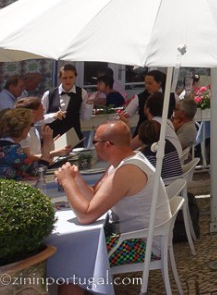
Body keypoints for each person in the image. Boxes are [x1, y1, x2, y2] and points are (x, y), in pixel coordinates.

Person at [55, 120, 170, 289]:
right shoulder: (122, 162)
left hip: (144, 246)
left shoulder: (126, 171)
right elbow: (95, 196)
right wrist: (76, 178)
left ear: (107, 145)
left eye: (95, 141)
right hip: (134, 237)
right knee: (75, 254)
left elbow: (87, 215)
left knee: (73, 260)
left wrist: (67, 183)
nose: (93, 145)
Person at [0, 107, 52, 180]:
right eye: (30, 125)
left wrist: (22, 177)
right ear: (22, 127)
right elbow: (38, 171)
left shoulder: (5, 146)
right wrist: (47, 144)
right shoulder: (13, 150)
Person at [41, 64, 87, 145]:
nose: (68, 80)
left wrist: (90, 105)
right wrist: (53, 116)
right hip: (53, 138)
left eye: (71, 77)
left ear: (75, 77)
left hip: (74, 138)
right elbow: (40, 118)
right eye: (65, 78)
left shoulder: (82, 93)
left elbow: (84, 117)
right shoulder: (48, 94)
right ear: (60, 78)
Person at [121, 69, 177, 137]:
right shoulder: (140, 97)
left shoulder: (171, 96)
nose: (147, 86)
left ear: (159, 83)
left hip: (165, 134)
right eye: (145, 83)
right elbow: (125, 115)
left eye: (150, 83)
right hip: (143, 134)